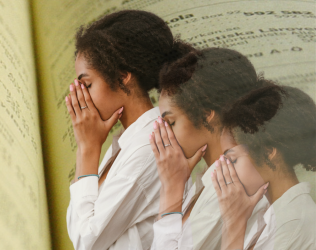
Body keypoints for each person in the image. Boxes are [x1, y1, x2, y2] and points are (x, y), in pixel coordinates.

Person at [65, 10, 193, 250]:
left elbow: (86, 241)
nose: (80, 97)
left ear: (123, 77)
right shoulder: (122, 146)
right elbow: (78, 230)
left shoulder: (150, 149)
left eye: (87, 84)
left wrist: (87, 148)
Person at [149, 48, 270, 250]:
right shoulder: (208, 179)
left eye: (171, 123)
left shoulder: (232, 185)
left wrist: (171, 189)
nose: (163, 135)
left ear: (206, 117)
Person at [213, 85, 316, 250]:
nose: (223, 171)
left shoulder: (293, 223)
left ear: (268, 153)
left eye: (232, 161)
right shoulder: (269, 214)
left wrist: (233, 224)